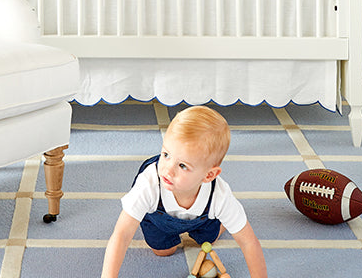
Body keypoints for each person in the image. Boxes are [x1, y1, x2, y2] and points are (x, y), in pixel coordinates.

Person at [101, 106, 267, 278]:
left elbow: (249, 242)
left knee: (207, 240)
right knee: (163, 251)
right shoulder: (148, 184)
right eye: (166, 154)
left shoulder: (219, 195)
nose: (167, 170)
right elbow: (121, 236)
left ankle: (224, 221)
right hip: (158, 219)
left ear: (209, 175)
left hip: (201, 218)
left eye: (182, 166)